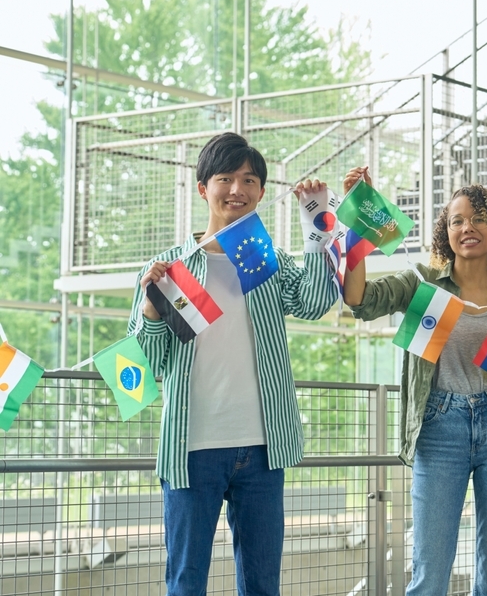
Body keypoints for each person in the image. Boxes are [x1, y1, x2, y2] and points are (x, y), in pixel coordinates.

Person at [127, 132, 339, 596]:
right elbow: (146, 366)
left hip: (263, 447)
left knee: (263, 585)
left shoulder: (263, 258)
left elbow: (315, 300)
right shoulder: (168, 267)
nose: (236, 189)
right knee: (186, 582)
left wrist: (315, 228)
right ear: (204, 188)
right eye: (225, 178)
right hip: (190, 449)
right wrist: (149, 309)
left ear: (262, 192)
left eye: (249, 180)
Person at [342, 168, 487, 596]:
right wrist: (356, 230)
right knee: (430, 570)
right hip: (439, 429)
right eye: (456, 220)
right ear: (445, 232)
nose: (467, 227)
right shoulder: (421, 284)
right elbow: (359, 302)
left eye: (478, 218)